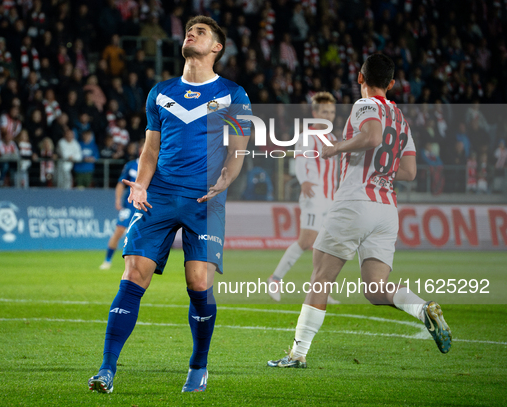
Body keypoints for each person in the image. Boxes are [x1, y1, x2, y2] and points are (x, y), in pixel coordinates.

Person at [88, 15, 251, 394]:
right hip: (158, 195)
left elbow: (239, 148)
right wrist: (140, 186)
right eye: (189, 30)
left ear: (216, 47)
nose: (190, 34)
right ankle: (106, 370)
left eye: (201, 32)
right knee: (133, 274)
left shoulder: (234, 94)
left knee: (198, 281)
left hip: (204, 199)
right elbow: (150, 149)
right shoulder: (160, 92)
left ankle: (198, 365)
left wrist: (228, 176)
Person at [268, 54, 452, 369]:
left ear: (360, 79)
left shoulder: (364, 105)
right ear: (392, 84)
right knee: (375, 287)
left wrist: (336, 147)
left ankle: (297, 354)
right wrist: (382, 169)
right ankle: (423, 309)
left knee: (320, 277)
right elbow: (408, 171)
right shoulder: (400, 117)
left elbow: (371, 137)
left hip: (356, 202)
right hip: (386, 210)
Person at [267, 92, 340, 304]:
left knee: (324, 245)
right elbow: (301, 160)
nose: (329, 115)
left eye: (332, 112)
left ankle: (319, 290)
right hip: (313, 195)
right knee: (307, 240)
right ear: (315, 113)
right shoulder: (307, 136)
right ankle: (275, 278)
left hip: (330, 197)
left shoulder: (333, 139)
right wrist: (305, 181)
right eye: (324, 111)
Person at [99, 142, 143, 270]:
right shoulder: (131, 165)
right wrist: (118, 200)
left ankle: (139, 264)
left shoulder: (153, 165)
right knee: (119, 231)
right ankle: (107, 260)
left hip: (144, 204)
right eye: (142, 146)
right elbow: (120, 184)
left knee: (142, 234)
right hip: (128, 205)